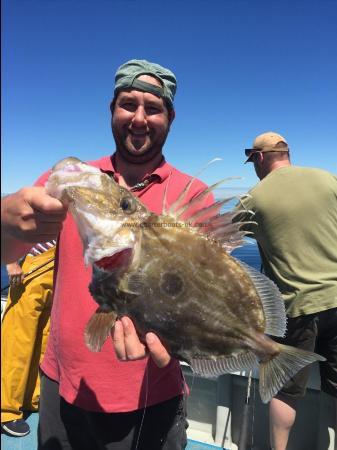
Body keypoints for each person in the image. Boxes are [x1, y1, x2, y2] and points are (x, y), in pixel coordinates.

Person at [1, 59, 214, 449]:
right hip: (64, 384)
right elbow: (11, 244)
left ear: (170, 116)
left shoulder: (193, 196)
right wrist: (4, 221)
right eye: (127, 104)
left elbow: (202, 293)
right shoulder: (75, 180)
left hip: (156, 392)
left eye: (152, 108)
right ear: (111, 110)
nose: (138, 117)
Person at [236, 131, 337, 450]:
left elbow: (217, 242)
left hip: (294, 310)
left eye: (253, 160)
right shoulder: (328, 180)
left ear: (260, 158)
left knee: (285, 391)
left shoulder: (253, 198)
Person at [1, 241, 55, 437]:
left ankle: (30, 398)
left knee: (43, 339)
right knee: (18, 340)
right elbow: (9, 221)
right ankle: (5, 409)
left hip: (55, 268)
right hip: (33, 265)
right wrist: (11, 261)